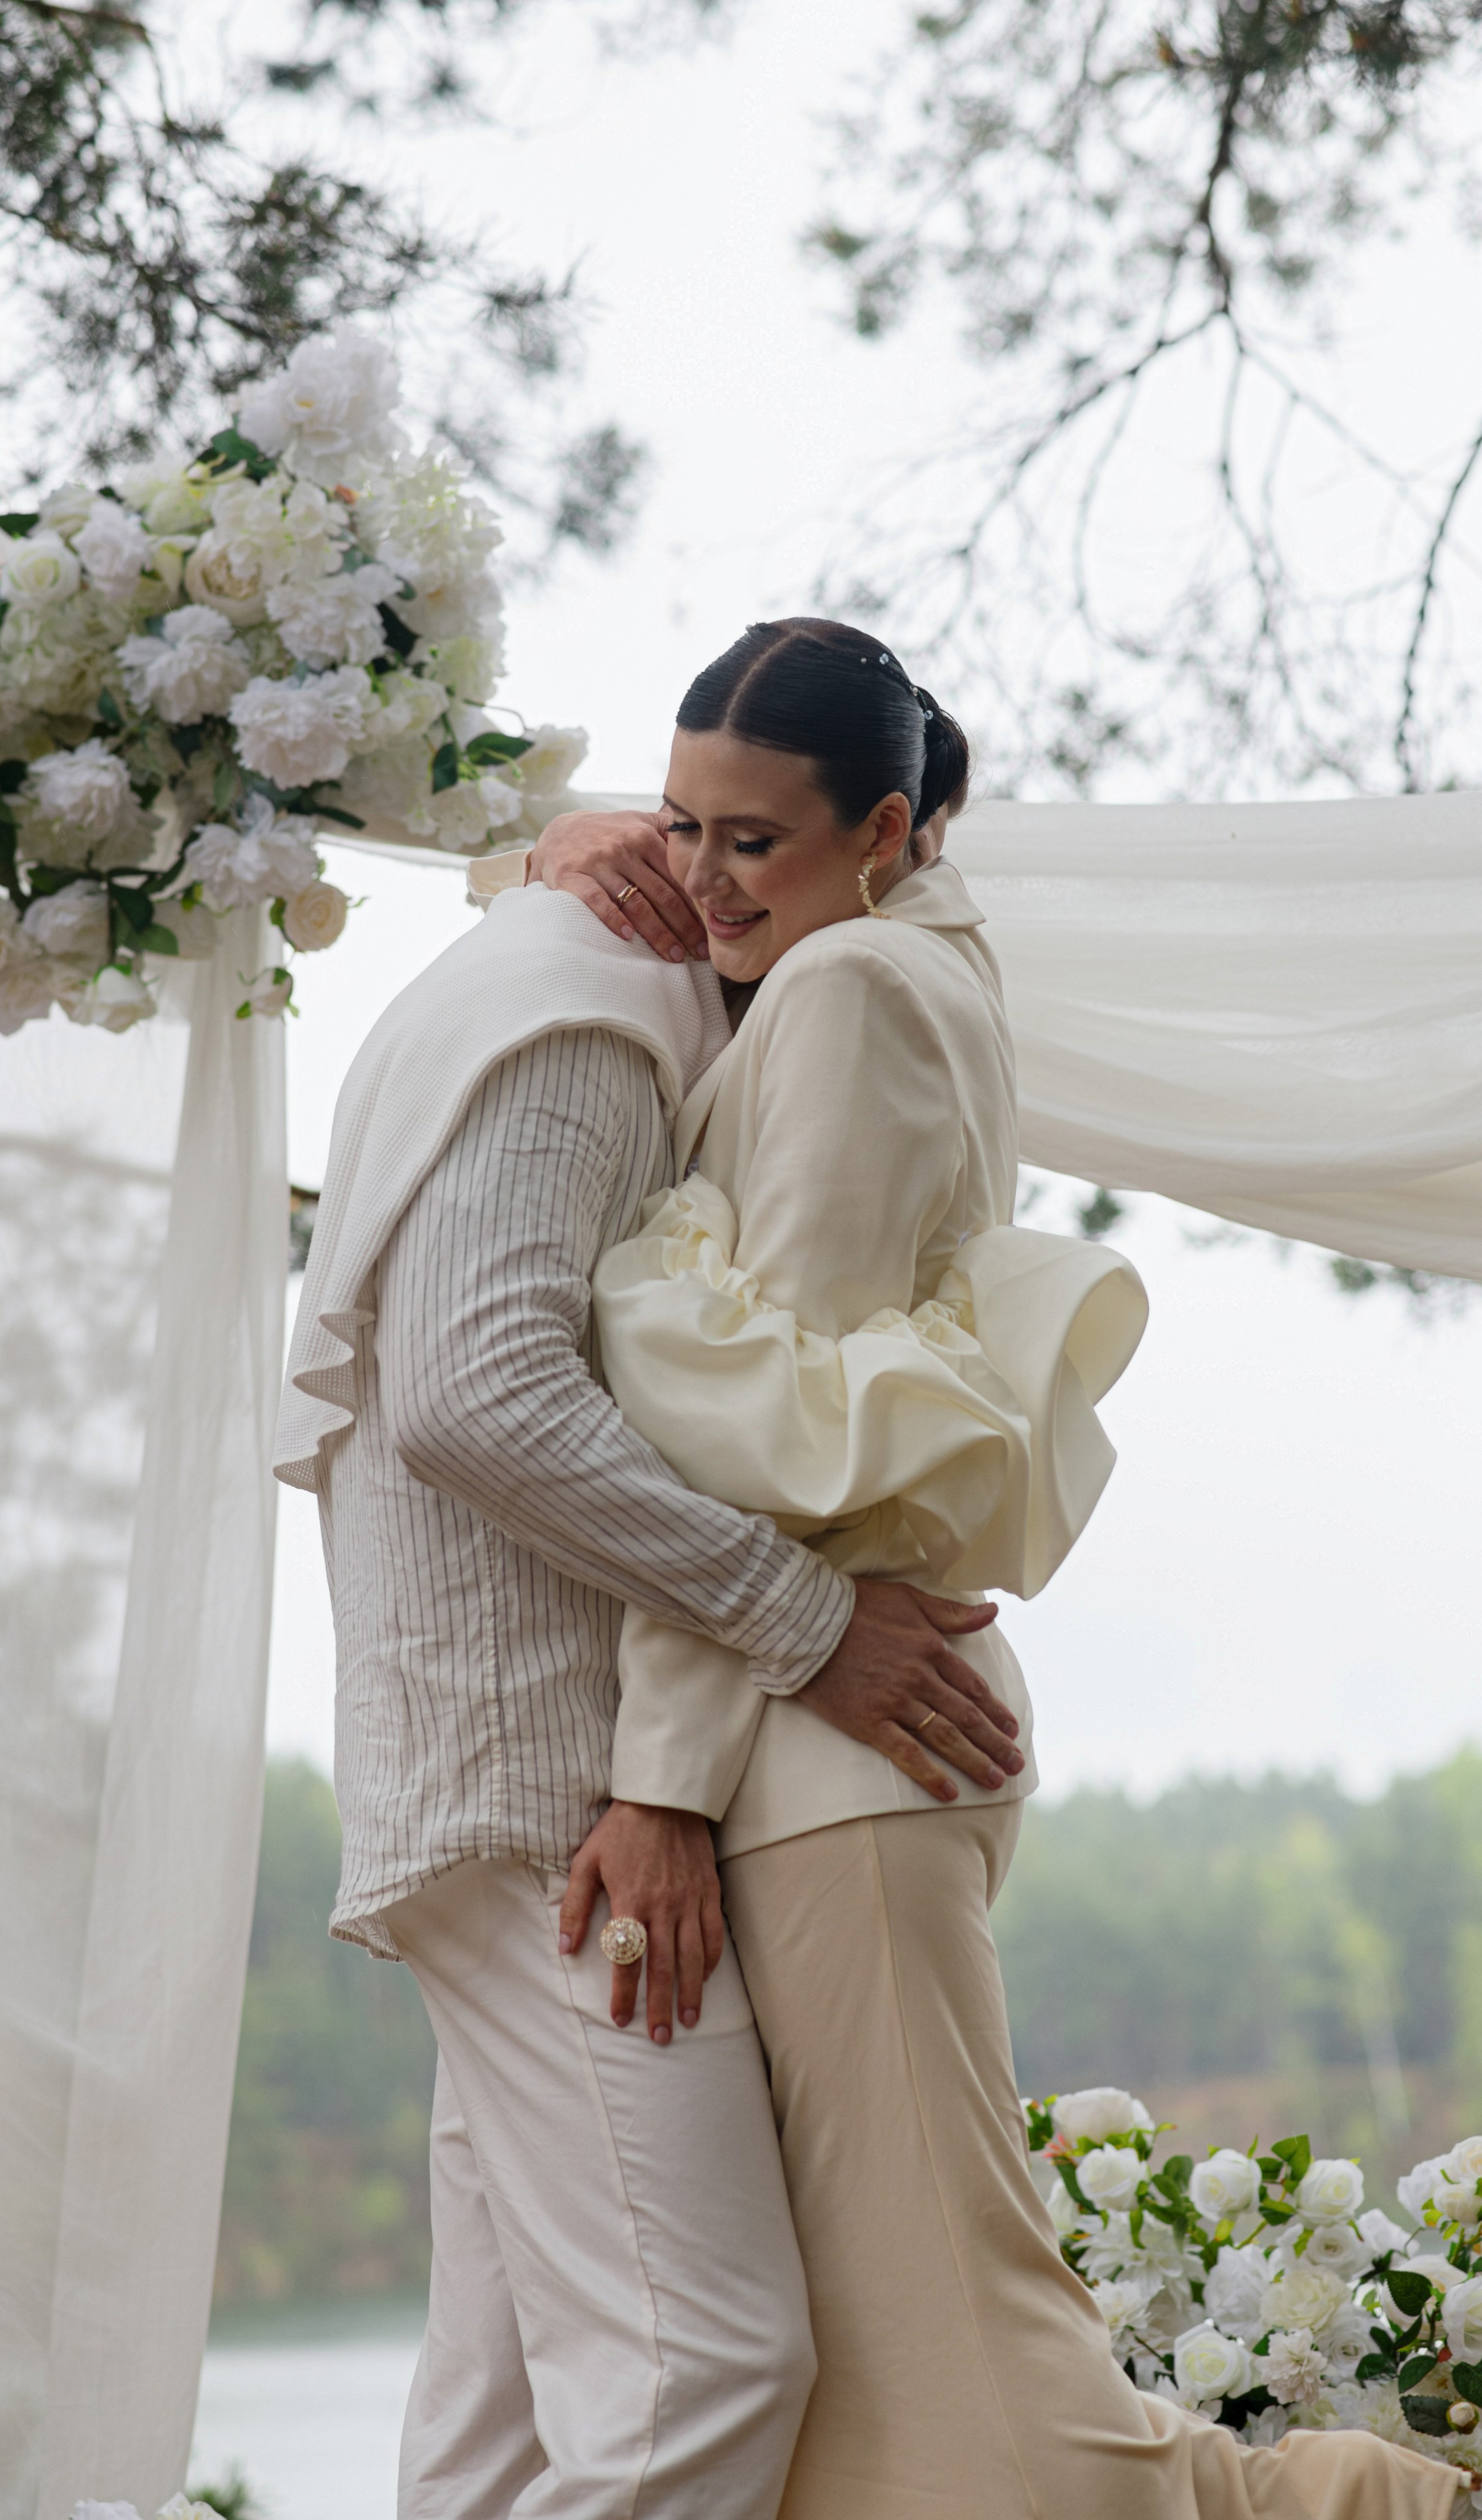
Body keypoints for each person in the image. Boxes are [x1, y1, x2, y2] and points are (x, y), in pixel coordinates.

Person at [530, 617, 1466, 2520]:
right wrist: (542, 851)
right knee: (869, 2397)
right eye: (676, 823)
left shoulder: (859, 991)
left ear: (887, 826)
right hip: (834, 1752)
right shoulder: (870, 956)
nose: (696, 879)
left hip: (815, 1766)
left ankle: (1393, 2508)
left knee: (960, 2382)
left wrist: (659, 1783)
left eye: (746, 842)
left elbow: (775, 1430)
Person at [272, 848, 1026, 2520]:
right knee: (704, 2371)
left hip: (525, 1778)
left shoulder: (598, 972)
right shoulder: (585, 1016)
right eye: (701, 831)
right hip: (541, 1790)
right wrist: (802, 1623)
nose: (714, 871)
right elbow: (471, 1395)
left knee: (509, 2419)